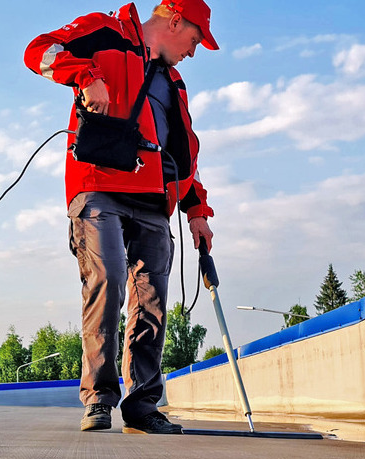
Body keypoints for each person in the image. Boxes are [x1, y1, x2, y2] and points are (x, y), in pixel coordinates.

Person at [23, 0, 219, 434]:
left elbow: (186, 154)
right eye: (195, 38)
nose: (194, 50)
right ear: (174, 21)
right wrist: (86, 76)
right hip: (98, 187)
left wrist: (197, 211)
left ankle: (142, 405)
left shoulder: (176, 84)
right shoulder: (105, 32)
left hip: (153, 200)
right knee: (108, 278)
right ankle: (98, 399)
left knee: (151, 301)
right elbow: (39, 50)